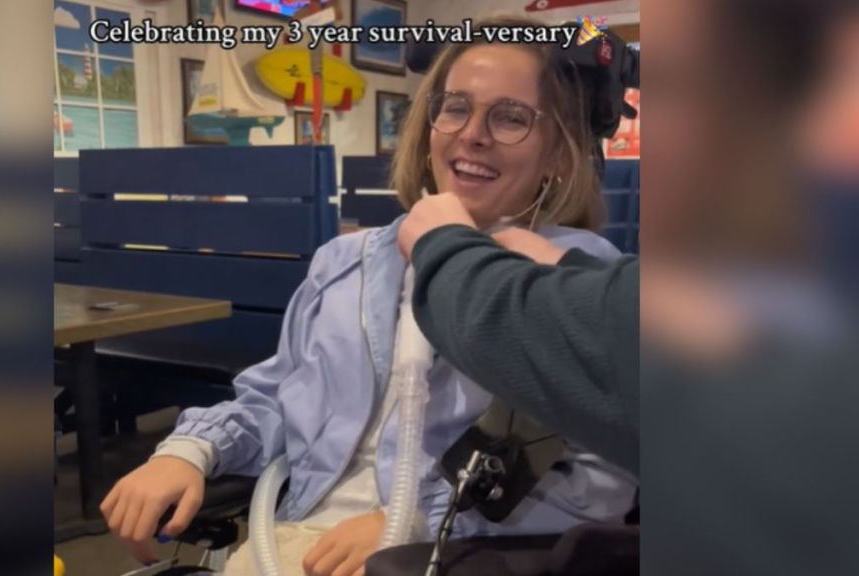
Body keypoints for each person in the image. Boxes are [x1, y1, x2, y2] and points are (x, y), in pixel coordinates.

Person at [101, 14, 637, 576]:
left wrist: (418, 523)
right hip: (294, 541)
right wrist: (192, 450)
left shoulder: (575, 280)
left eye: (510, 118)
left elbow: (598, 480)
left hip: (451, 557)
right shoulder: (346, 262)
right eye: (456, 106)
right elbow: (280, 398)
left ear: (557, 151)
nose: (472, 133)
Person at [396, 192, 641, 474]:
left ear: (556, 158)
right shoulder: (347, 259)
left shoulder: (592, 253)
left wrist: (444, 247)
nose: (476, 143)